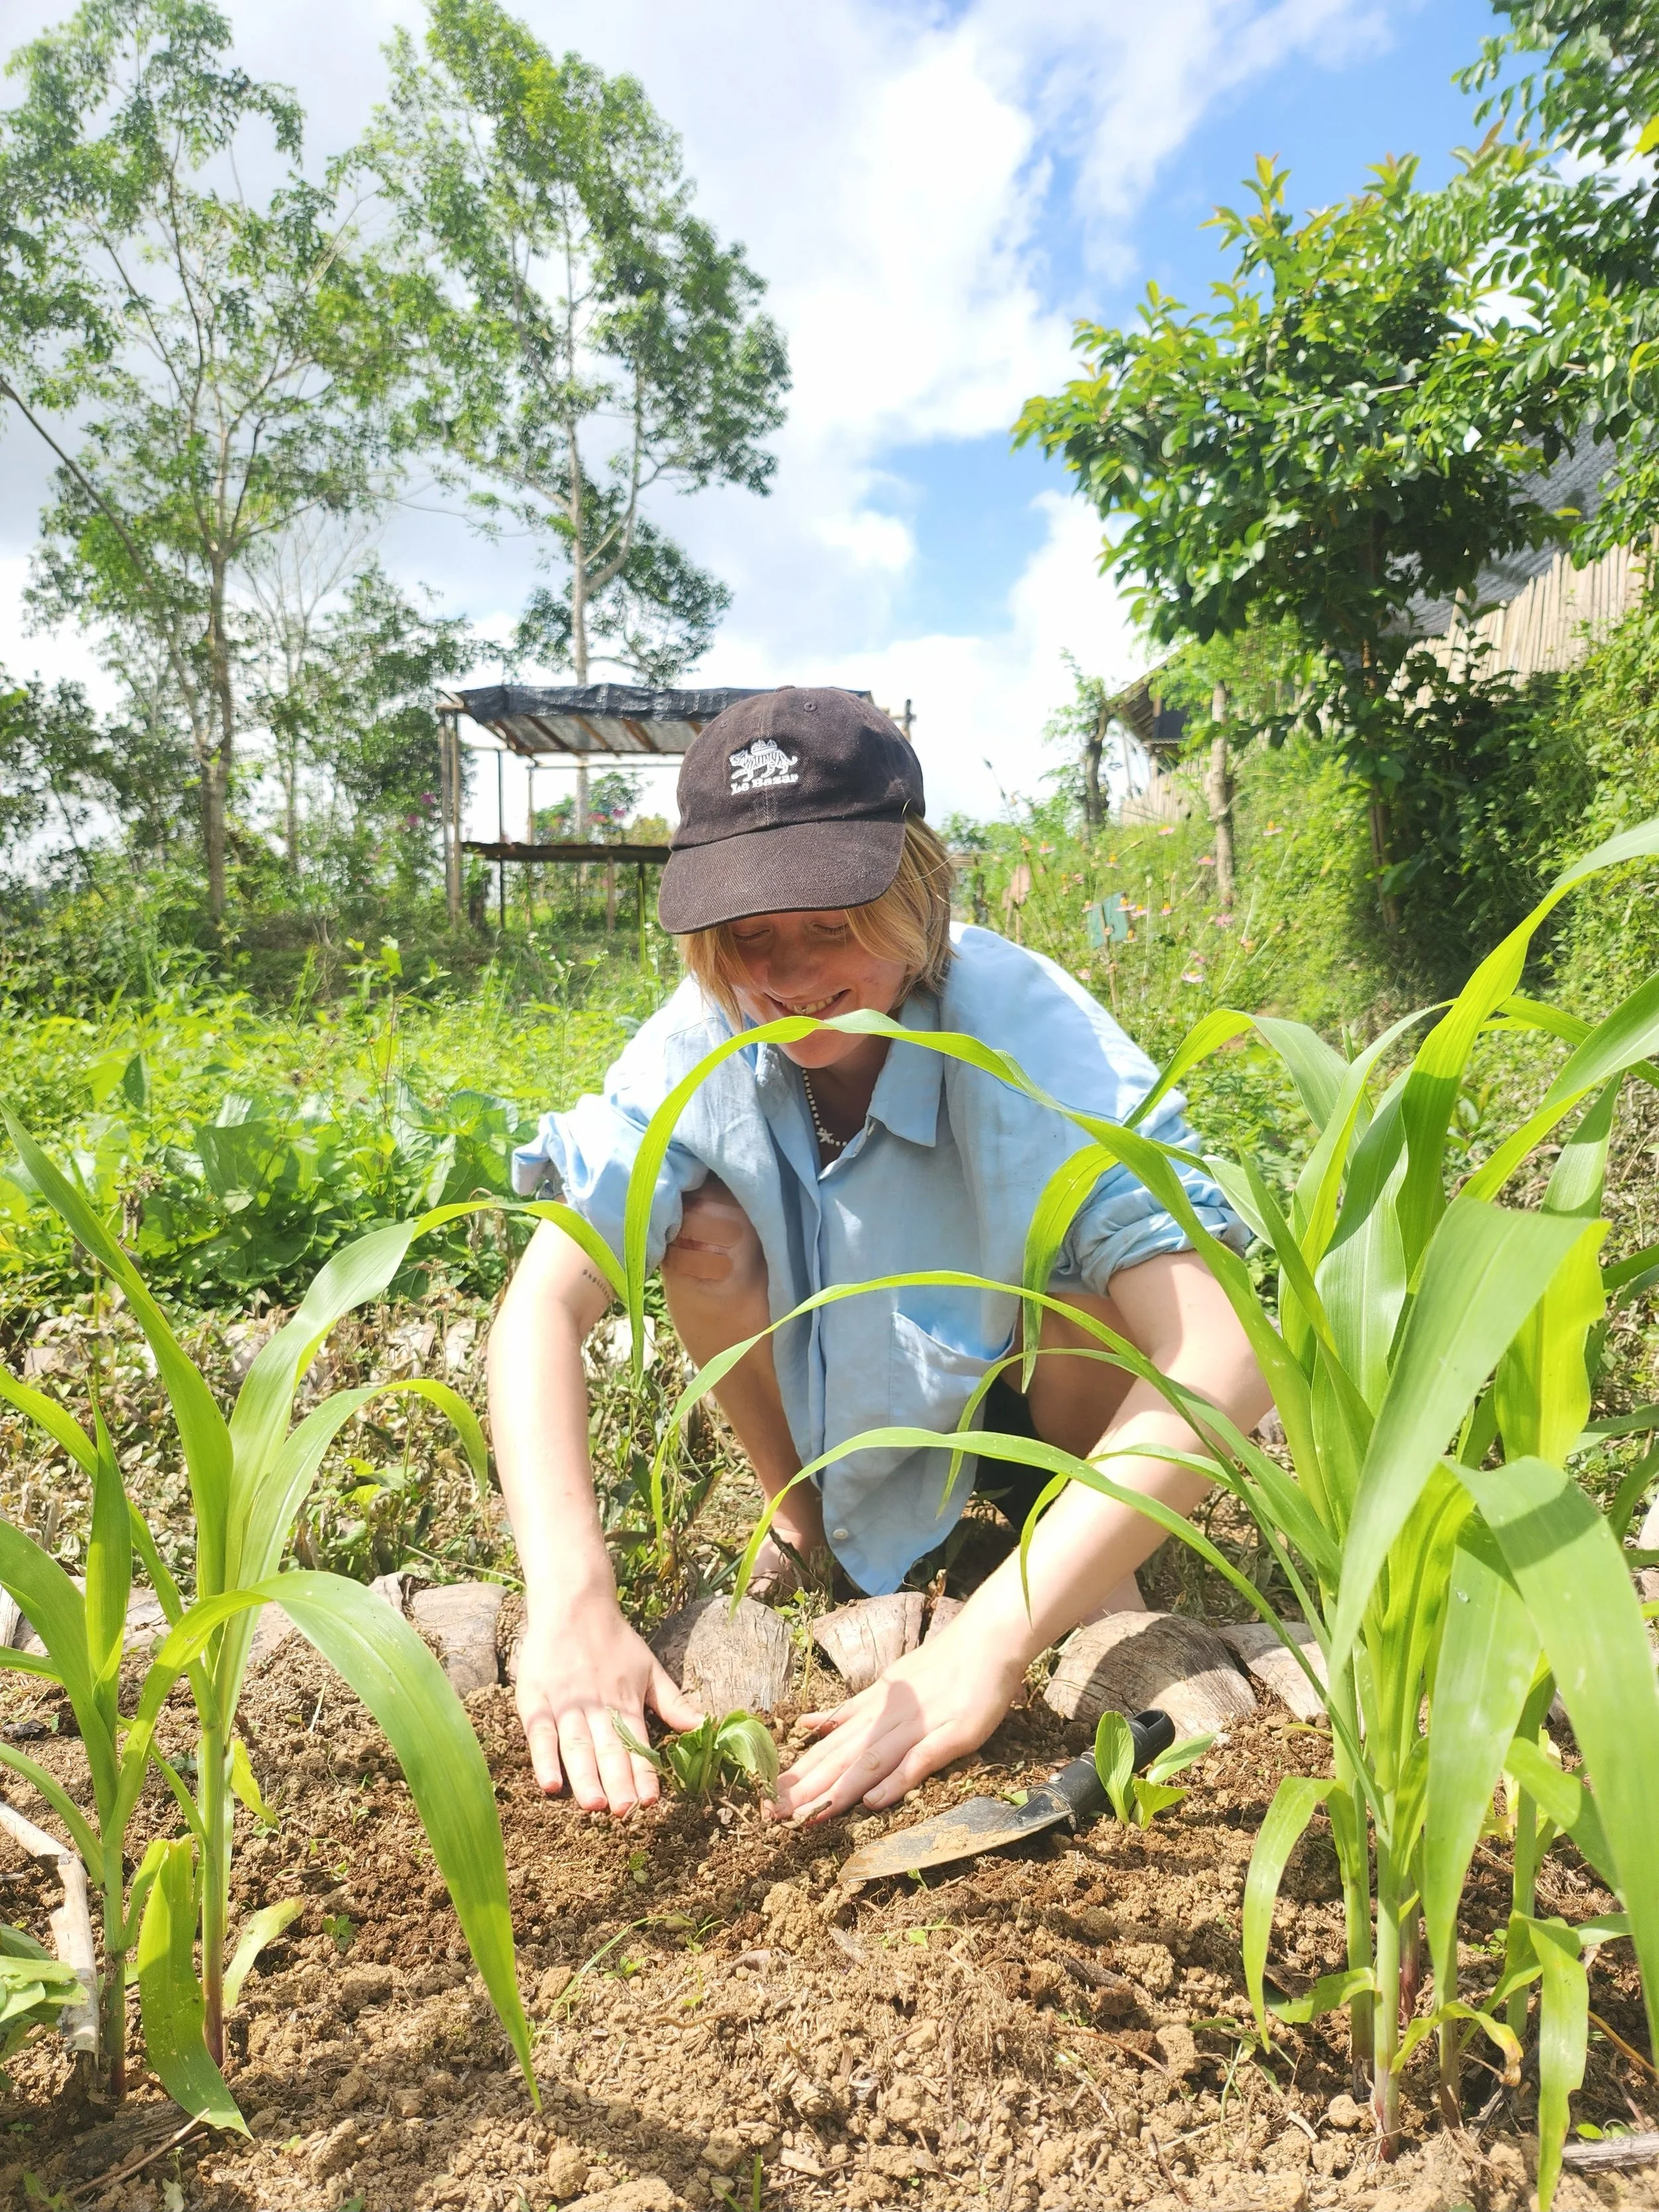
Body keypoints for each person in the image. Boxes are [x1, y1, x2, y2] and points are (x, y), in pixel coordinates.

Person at [488, 688, 1271, 1823]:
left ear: (915, 893)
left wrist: (991, 1645)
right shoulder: (700, 1039)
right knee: (704, 1232)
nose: (793, 974)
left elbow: (1224, 1349)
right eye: (751, 937)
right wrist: (570, 1597)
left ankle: (1092, 1555)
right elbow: (539, 1313)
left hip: (1047, 1389)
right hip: (847, 1402)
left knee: (1093, 1273)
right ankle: (804, 1520)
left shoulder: (1023, 1030)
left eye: (834, 923)